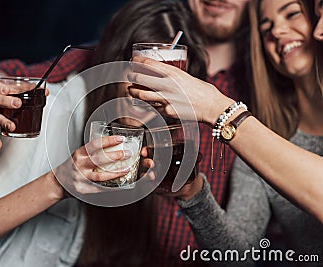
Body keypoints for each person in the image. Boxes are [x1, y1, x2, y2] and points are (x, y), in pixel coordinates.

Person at [0, 1, 252, 264]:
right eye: (140, 78)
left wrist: (194, 193)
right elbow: (17, 78)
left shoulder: (253, 93)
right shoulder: (142, 42)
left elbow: (242, 254)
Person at [129, 0, 323, 264]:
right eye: (266, 30)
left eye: (292, 14)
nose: (277, 31)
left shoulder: (245, 129)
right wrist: (192, 192)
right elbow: (239, 256)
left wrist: (218, 109)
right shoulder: (262, 134)